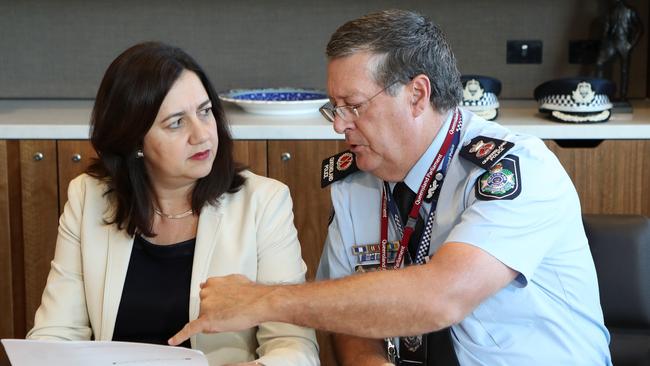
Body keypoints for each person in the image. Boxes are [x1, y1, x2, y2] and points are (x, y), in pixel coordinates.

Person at [169, 10, 612, 366]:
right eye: (334, 108)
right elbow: (343, 313)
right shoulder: (356, 181)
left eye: (354, 106)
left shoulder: (517, 169)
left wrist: (264, 301)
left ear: (417, 95)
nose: (340, 125)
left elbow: (442, 297)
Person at [26, 42, 320, 366]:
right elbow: (56, 335)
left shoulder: (263, 203)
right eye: (176, 123)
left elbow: (294, 347)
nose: (202, 135)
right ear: (134, 140)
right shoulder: (89, 197)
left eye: (205, 112)